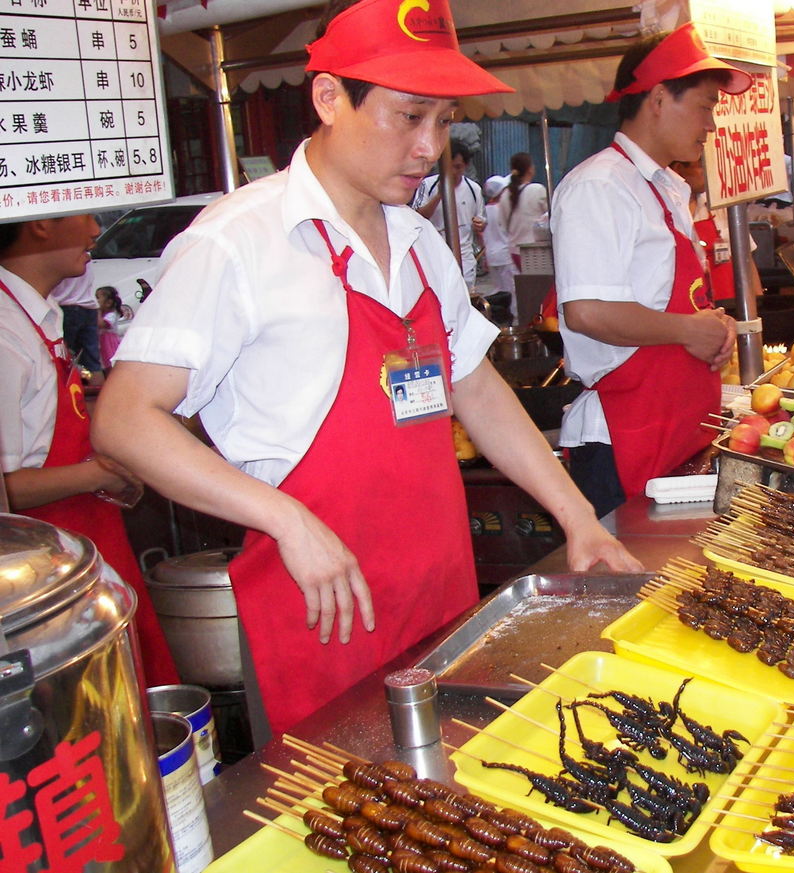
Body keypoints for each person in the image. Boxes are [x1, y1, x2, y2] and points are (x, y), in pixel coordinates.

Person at [92, 0, 640, 736]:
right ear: (327, 98)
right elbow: (125, 420)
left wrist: (578, 517)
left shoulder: (419, 242)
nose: (429, 147)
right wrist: (285, 518)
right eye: (408, 116)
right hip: (322, 605)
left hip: (439, 588)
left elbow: (473, 385)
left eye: (444, 121)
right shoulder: (239, 243)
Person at [550, 22, 745, 517]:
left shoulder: (666, 188)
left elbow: (668, 299)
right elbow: (588, 313)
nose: (711, 126)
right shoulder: (600, 186)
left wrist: (711, 325)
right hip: (623, 438)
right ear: (659, 98)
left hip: (679, 425)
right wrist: (686, 329)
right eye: (705, 107)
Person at [0, 215, 178, 687]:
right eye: (83, 214)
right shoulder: (4, 334)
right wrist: (99, 474)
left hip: (88, 546)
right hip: (45, 573)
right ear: (39, 222)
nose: (97, 228)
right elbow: (7, 488)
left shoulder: (34, 313)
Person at [668, 158, 762, 302]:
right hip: (687, 306)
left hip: (729, 302)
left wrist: (758, 300)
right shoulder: (666, 208)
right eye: (701, 167)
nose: (708, 173)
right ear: (679, 169)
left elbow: (746, 258)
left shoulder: (721, 206)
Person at [412, 139, 486, 290]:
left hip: (464, 253)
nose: (453, 172)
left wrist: (480, 225)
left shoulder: (474, 189)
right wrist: (439, 196)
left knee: (465, 293)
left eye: (458, 167)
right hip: (434, 252)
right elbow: (417, 216)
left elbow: (481, 218)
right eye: (449, 167)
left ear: (465, 166)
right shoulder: (427, 185)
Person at [49, 259, 103, 381]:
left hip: (66, 306)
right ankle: (98, 395)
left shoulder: (61, 253)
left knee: (64, 358)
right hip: (89, 306)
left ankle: (65, 395)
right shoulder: (84, 254)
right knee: (92, 361)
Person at [496, 152, 548, 271]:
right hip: (534, 250)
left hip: (514, 250)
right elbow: (549, 217)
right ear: (530, 169)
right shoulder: (537, 190)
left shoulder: (504, 194)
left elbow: (502, 224)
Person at [481, 175, 514, 299]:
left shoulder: (484, 210)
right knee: (510, 291)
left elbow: (481, 234)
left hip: (491, 255)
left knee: (498, 289)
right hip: (505, 255)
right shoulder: (504, 209)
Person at [96, 285, 123, 369]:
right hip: (101, 342)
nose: (96, 301)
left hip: (109, 343)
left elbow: (101, 324)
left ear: (108, 303)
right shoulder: (103, 314)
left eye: (98, 298)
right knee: (104, 364)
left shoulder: (112, 315)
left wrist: (98, 311)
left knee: (109, 364)